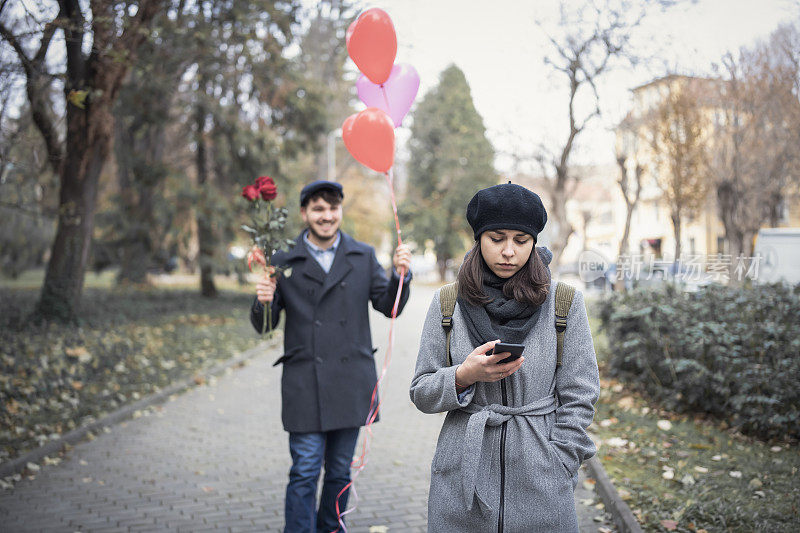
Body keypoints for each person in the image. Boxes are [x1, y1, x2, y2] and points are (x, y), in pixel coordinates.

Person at [410, 182, 600, 533]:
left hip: (543, 478)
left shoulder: (564, 304)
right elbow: (421, 390)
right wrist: (462, 376)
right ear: (479, 239)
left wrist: (560, 461)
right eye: (496, 239)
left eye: (520, 240)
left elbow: (581, 394)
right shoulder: (447, 303)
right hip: (462, 478)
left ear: (534, 242)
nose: (508, 251)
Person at [251, 180, 412, 533]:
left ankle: (330, 529)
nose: (327, 216)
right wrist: (262, 299)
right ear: (305, 213)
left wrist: (401, 275)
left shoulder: (362, 255)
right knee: (305, 470)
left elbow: (390, 306)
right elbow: (265, 326)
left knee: (340, 471)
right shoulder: (282, 258)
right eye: (319, 209)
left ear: (340, 211)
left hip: (350, 381)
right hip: (304, 381)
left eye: (332, 208)